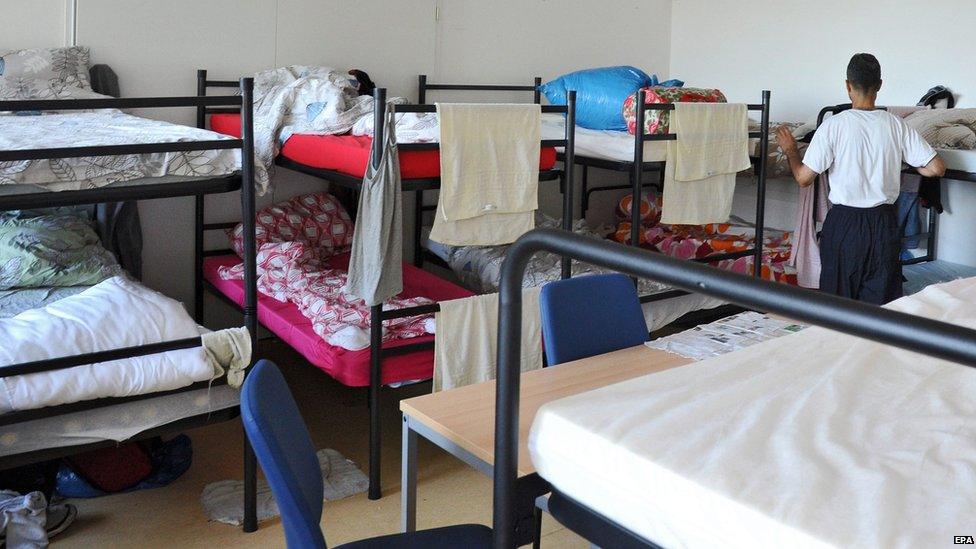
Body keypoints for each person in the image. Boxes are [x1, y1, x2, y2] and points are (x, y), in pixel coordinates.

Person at [777, 53, 946, 304]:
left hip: (844, 224)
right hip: (884, 223)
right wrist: (913, 167)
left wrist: (791, 150)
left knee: (837, 308)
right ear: (879, 85)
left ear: (847, 86)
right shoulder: (895, 125)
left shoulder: (834, 125)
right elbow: (937, 168)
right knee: (880, 310)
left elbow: (804, 178)